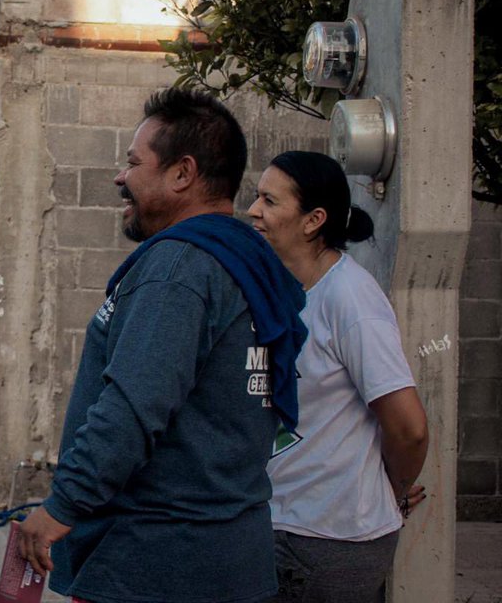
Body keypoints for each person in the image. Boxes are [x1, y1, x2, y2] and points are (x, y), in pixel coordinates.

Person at [18, 88, 308, 603]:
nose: (120, 177)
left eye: (133, 163)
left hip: (156, 565)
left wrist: (62, 506)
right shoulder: (246, 260)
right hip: (230, 558)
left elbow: (131, 407)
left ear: (182, 173)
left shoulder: (179, 268)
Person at [248, 151, 429, 602]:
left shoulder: (351, 299)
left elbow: (408, 428)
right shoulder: (281, 291)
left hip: (325, 544)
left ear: (313, 221)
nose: (253, 210)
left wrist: (393, 491)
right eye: (257, 197)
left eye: (269, 200)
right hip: (274, 526)